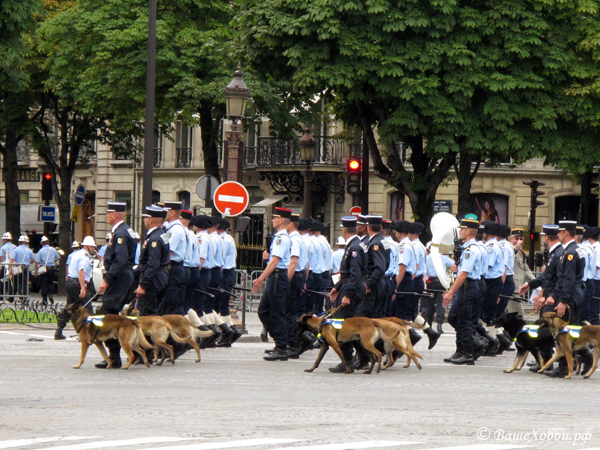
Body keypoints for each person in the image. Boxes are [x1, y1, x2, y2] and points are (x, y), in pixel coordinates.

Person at [542, 220, 587, 377]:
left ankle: (563, 368)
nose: (558, 235)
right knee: (572, 327)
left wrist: (563, 301)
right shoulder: (575, 249)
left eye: (560, 232)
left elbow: (568, 279)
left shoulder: (569, 253)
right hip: (574, 291)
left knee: (565, 330)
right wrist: (555, 296)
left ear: (566, 233)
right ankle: (584, 356)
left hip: (571, 294)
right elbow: (563, 279)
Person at [95, 201, 136, 369]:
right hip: (122, 276)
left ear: (114, 215)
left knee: (109, 316)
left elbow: (119, 260)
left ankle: (114, 357)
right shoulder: (123, 231)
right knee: (111, 314)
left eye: (108, 213)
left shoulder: (120, 234)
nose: (106, 216)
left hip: (119, 277)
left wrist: (107, 279)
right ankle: (115, 356)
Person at [328, 216, 367, 373]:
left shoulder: (355, 248)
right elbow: (348, 274)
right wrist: (337, 287)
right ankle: (363, 356)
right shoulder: (354, 246)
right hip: (347, 286)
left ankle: (348, 360)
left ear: (344, 230)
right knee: (348, 324)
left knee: (340, 324)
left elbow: (355, 273)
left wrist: (348, 294)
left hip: (352, 288)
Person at [253, 207, 292, 361]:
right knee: (264, 311)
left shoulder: (281, 238)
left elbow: (275, 262)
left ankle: (282, 347)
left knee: (276, 313)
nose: (272, 220)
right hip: (276, 276)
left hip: (277, 277)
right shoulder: (279, 237)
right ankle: (279, 342)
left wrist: (260, 278)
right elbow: (274, 259)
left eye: (275, 218)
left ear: (281, 220)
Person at [442, 218, 482, 365]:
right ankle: (461, 349)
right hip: (466, 286)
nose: (459, 232)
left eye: (461, 230)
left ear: (467, 231)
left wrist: (451, 291)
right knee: (455, 318)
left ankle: (468, 352)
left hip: (468, 286)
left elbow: (465, 273)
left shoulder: (471, 250)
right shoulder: (467, 248)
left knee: (464, 320)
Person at [55, 236, 96, 340]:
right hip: (77, 284)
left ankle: (59, 329)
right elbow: (81, 272)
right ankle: (89, 333)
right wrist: (83, 288)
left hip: (70, 282)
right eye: (92, 247)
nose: (93, 249)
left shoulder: (75, 254)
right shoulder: (84, 257)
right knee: (87, 308)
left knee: (70, 307)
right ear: (86, 246)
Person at [134, 206, 170, 316]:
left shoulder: (154, 238)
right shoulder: (160, 235)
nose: (144, 221)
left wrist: (143, 285)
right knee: (153, 313)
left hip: (152, 281)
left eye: (145, 218)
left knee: (147, 315)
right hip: (159, 278)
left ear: (151, 220)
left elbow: (152, 264)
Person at [281, 214, 306, 358]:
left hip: (293, 275)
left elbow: (293, 262)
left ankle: (292, 344)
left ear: (290, 224)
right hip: (297, 275)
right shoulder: (298, 238)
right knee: (288, 311)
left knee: (289, 312)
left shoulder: (294, 240)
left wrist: (286, 280)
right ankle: (288, 342)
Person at [479, 220, 505, 356]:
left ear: (487, 233)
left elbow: (486, 266)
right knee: (486, 313)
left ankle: (491, 343)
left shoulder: (491, 247)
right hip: (494, 281)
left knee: (487, 314)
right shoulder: (495, 245)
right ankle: (500, 339)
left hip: (491, 281)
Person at [216, 218, 243, 347]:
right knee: (222, 304)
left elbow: (220, 258)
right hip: (228, 272)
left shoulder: (223, 240)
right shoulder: (229, 238)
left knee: (221, 304)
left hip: (224, 273)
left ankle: (228, 332)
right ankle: (232, 330)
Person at [160, 201, 189, 315]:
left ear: (172, 213)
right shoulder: (172, 228)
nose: (163, 214)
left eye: (166, 211)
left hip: (174, 268)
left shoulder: (175, 230)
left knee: (171, 304)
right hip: (174, 268)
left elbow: (168, 253)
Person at [425, 242, 453, 333]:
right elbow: (453, 263)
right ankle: (439, 325)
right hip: (440, 282)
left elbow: (424, 271)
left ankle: (428, 324)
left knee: (430, 304)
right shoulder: (443, 258)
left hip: (430, 282)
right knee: (441, 304)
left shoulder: (428, 258)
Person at [509, 228, 534, 317]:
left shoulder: (521, 252)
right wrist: (515, 248)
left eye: (521, 239)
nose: (519, 241)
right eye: (516, 238)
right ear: (511, 239)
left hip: (518, 288)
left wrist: (536, 282)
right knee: (519, 316)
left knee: (512, 316)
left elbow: (526, 269)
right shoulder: (509, 249)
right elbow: (508, 256)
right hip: (512, 287)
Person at [35, 236, 59, 305]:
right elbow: (58, 257)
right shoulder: (53, 249)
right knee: (51, 283)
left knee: (44, 284)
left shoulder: (40, 251)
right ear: (48, 242)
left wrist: (36, 271)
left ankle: (44, 299)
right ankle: (51, 294)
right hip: (52, 268)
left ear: (42, 243)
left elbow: (37, 262)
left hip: (44, 269)